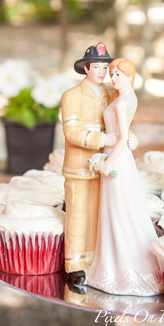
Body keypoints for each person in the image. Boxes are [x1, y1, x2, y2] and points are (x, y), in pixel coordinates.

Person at [86, 58, 163, 296]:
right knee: (122, 210)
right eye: (112, 73)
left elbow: (121, 137)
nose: (113, 78)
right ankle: (117, 265)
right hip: (123, 158)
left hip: (116, 158)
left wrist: (107, 162)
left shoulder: (121, 103)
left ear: (130, 76)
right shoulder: (128, 97)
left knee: (116, 212)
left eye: (118, 74)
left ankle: (118, 270)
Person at [60, 43, 118, 287]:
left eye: (105, 66)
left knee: (100, 215)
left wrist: (124, 139)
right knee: (78, 214)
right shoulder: (71, 96)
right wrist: (103, 139)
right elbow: (71, 130)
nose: (102, 71)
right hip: (79, 167)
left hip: (104, 166)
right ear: (86, 68)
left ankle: (96, 259)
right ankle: (75, 264)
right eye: (97, 66)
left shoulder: (111, 95)